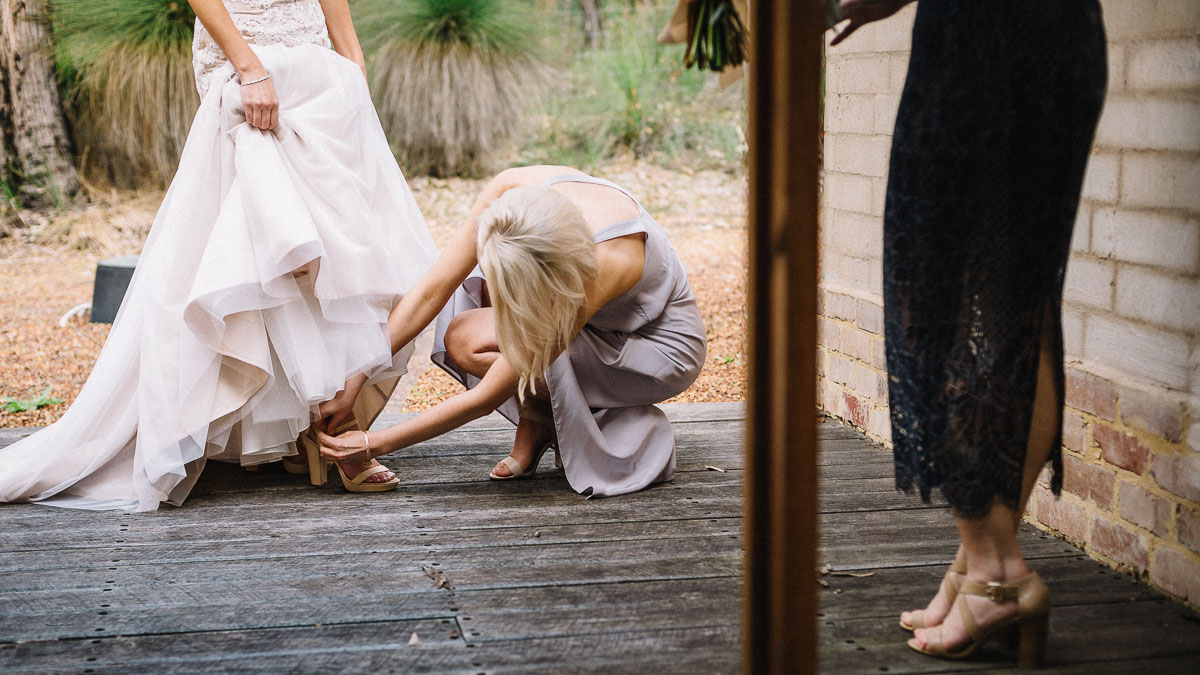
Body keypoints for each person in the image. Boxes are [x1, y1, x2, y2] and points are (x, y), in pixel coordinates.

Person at [0, 0, 437, 511]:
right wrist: (250, 70)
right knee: (275, 239)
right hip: (243, 51)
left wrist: (352, 62)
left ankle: (313, 428)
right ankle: (334, 427)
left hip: (314, 57)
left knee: (333, 236)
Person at [832, 0, 1107, 667]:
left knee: (938, 301)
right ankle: (978, 562)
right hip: (1053, 33)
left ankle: (998, 571)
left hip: (991, 38)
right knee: (1014, 304)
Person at [315, 165, 707, 497]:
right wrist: (356, 377)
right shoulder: (508, 197)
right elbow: (431, 292)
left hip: (653, 347)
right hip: (588, 320)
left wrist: (377, 441)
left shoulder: (608, 262)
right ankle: (539, 417)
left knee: (488, 346)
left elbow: (490, 393)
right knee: (465, 333)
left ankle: (599, 427)